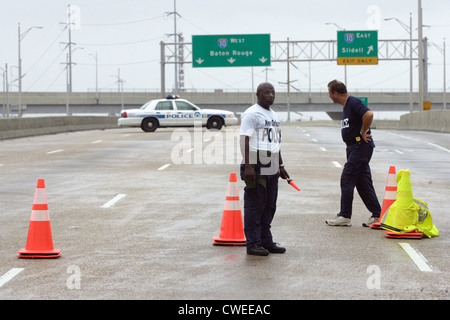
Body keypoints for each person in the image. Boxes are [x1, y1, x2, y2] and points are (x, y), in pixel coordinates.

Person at [239, 82, 289, 256]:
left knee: (269, 205)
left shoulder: (273, 114)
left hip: (272, 163)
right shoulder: (252, 114)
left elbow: (276, 142)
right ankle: (253, 243)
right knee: (255, 205)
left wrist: (281, 165)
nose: (271, 95)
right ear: (258, 94)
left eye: (273, 92)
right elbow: (244, 139)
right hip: (256, 161)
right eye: (266, 92)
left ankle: (266, 241)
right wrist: (248, 166)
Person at [326, 80, 381, 227]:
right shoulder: (346, 106)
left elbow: (369, 114)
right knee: (363, 183)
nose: (329, 96)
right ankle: (377, 215)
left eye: (330, 93)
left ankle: (345, 216)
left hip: (359, 147)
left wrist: (363, 131)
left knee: (347, 178)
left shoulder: (353, 102)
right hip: (353, 148)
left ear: (335, 93)